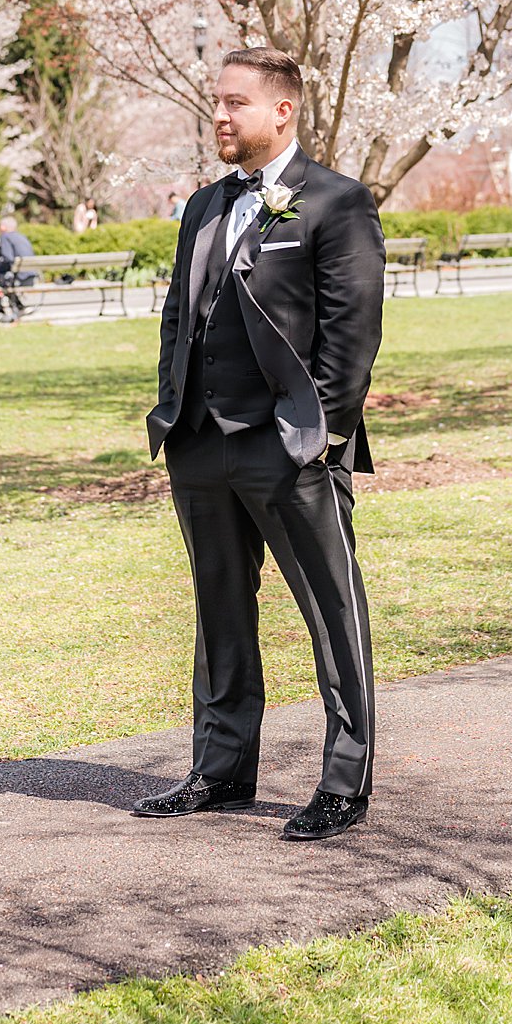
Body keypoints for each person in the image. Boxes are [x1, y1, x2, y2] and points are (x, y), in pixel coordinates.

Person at [138, 47, 385, 844]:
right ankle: (220, 769)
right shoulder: (204, 205)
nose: (220, 114)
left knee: (331, 613)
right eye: (216, 100)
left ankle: (344, 783)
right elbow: (181, 313)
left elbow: (352, 335)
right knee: (219, 613)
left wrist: (317, 436)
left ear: (282, 110)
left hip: (291, 449)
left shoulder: (337, 203)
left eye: (235, 102)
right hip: (201, 445)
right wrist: (174, 408)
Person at [0, 210, 35, 321]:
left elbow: (7, 258)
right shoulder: (22, 237)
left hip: (18, 278)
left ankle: (0, 312)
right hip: (31, 277)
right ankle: (19, 306)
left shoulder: (5, 237)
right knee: (4, 279)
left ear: (3, 227)